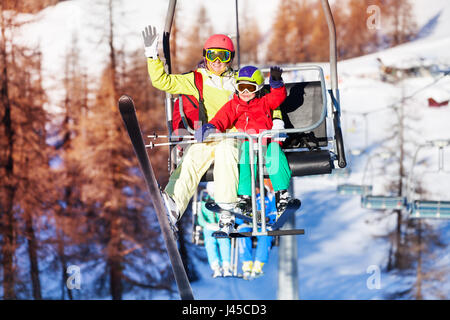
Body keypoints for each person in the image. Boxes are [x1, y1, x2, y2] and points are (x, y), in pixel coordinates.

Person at [142, 26, 240, 231]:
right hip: (207, 135)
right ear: (205, 55)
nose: (217, 61)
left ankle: (226, 211)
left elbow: (260, 97)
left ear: (230, 58)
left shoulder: (239, 80)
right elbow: (163, 81)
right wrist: (152, 55)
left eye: (223, 56)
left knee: (226, 152)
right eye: (212, 55)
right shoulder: (197, 79)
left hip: (233, 135)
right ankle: (174, 204)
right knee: (192, 159)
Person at [195, 65, 292, 216]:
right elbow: (222, 119)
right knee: (245, 160)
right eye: (241, 87)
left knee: (275, 155)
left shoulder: (265, 102)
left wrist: (276, 82)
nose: (245, 92)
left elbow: (278, 97)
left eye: (249, 88)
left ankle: (281, 193)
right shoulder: (234, 105)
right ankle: (245, 197)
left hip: (266, 140)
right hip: (246, 141)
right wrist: (210, 127)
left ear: (258, 88)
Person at [236, 186, 276, 280]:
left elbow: (274, 212)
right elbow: (237, 214)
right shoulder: (244, 198)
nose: (255, 190)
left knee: (265, 235)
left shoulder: (268, 197)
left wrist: (268, 218)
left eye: (257, 188)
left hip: (263, 223)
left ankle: (258, 265)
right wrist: (243, 219)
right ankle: (247, 265)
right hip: (248, 223)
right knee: (242, 232)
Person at [198, 185, 232, 278]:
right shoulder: (203, 202)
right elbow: (200, 217)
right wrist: (206, 224)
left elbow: (227, 214)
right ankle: (215, 266)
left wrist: (223, 223)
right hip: (209, 226)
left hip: (220, 225)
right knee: (210, 242)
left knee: (224, 241)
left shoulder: (223, 202)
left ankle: (226, 265)